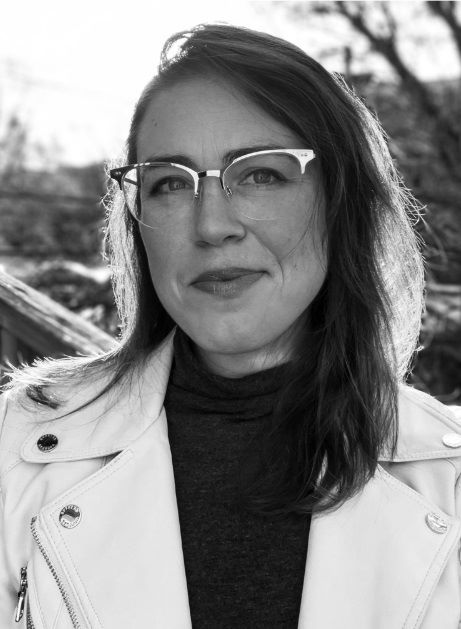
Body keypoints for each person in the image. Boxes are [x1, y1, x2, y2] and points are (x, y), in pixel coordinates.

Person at [0, 22, 460, 629]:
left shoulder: (448, 478)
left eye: (261, 173)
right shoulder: (18, 451)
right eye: (169, 183)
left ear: (342, 198)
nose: (211, 224)